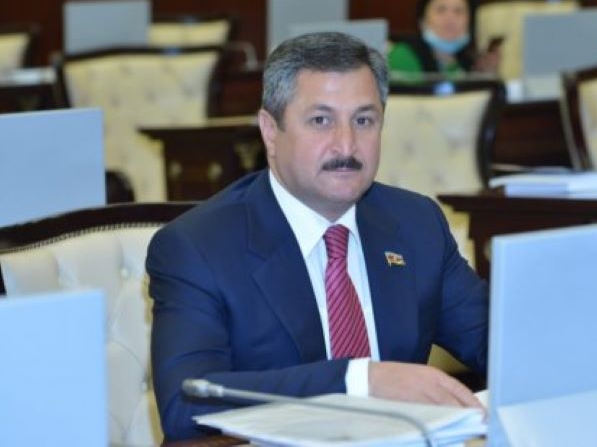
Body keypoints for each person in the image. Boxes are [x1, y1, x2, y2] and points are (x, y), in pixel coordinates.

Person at [146, 31, 489, 441]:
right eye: (321, 121)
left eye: (363, 120)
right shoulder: (197, 247)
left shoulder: (416, 224)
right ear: (270, 131)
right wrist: (358, 381)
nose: (346, 145)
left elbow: (498, 339)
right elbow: (187, 402)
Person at [388, 0, 500, 78]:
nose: (450, 18)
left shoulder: (469, 62)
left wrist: (487, 77)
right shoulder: (404, 54)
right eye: (441, 10)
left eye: (458, 11)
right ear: (422, 22)